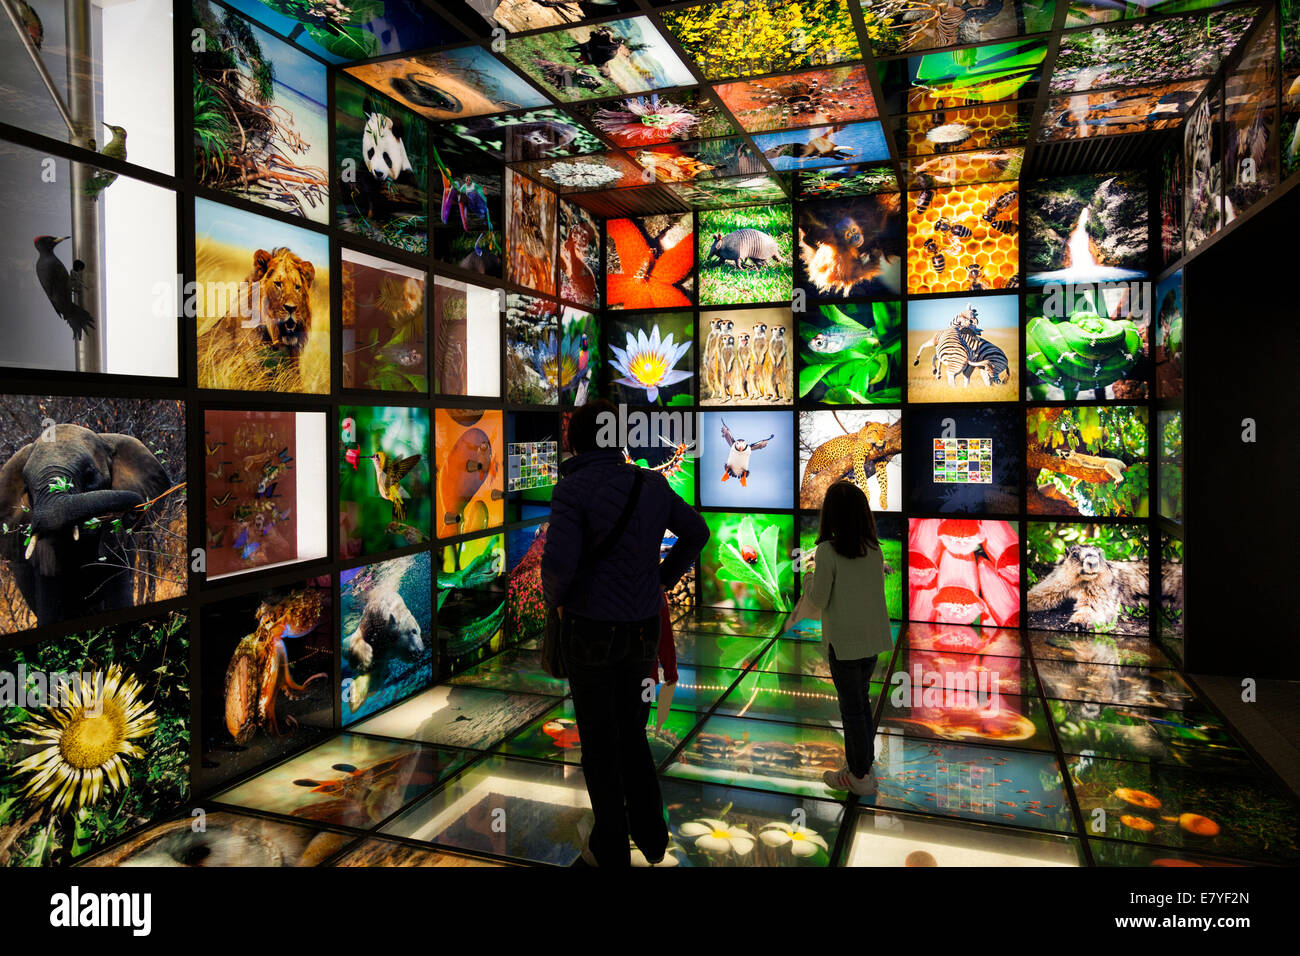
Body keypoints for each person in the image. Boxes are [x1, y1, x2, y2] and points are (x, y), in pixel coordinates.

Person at [542, 399, 708, 867]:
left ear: (575, 440)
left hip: (589, 632)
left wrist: (555, 600)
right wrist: (661, 580)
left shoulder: (572, 490)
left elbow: (558, 566)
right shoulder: (651, 484)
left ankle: (610, 848)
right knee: (633, 732)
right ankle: (653, 836)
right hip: (640, 634)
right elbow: (696, 532)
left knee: (598, 740)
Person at [803, 481, 893, 797]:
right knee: (861, 705)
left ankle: (858, 775)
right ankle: (862, 766)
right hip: (871, 643)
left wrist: (808, 577)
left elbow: (818, 600)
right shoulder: (874, 550)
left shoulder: (826, 552)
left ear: (831, 515)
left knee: (852, 710)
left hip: (844, 645)